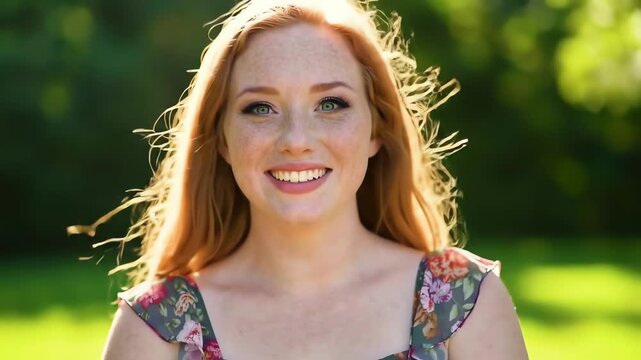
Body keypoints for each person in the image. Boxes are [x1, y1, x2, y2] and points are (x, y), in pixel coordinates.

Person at [94, 0, 528, 358]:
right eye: (260, 108)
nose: (297, 140)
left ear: (377, 130)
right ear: (221, 140)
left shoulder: (464, 303)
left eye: (331, 103)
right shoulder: (156, 329)